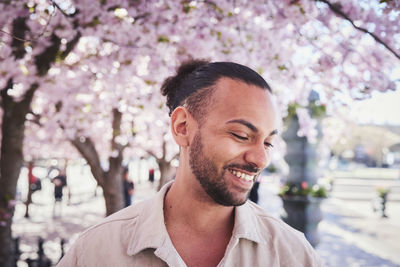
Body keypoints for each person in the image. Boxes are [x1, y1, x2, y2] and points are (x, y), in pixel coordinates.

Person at [58, 60, 323, 266]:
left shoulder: (292, 254)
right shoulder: (98, 250)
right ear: (182, 127)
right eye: (241, 135)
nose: (260, 159)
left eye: (267, 142)